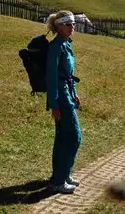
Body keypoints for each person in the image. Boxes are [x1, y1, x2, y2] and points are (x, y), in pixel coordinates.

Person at [45, 10, 82, 194]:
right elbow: (51, 78)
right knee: (74, 136)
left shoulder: (66, 44)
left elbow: (68, 75)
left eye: (73, 24)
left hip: (67, 95)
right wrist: (54, 105)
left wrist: (75, 93)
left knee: (63, 138)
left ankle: (62, 175)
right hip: (61, 98)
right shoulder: (56, 47)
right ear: (58, 26)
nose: (72, 27)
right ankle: (58, 181)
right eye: (68, 24)